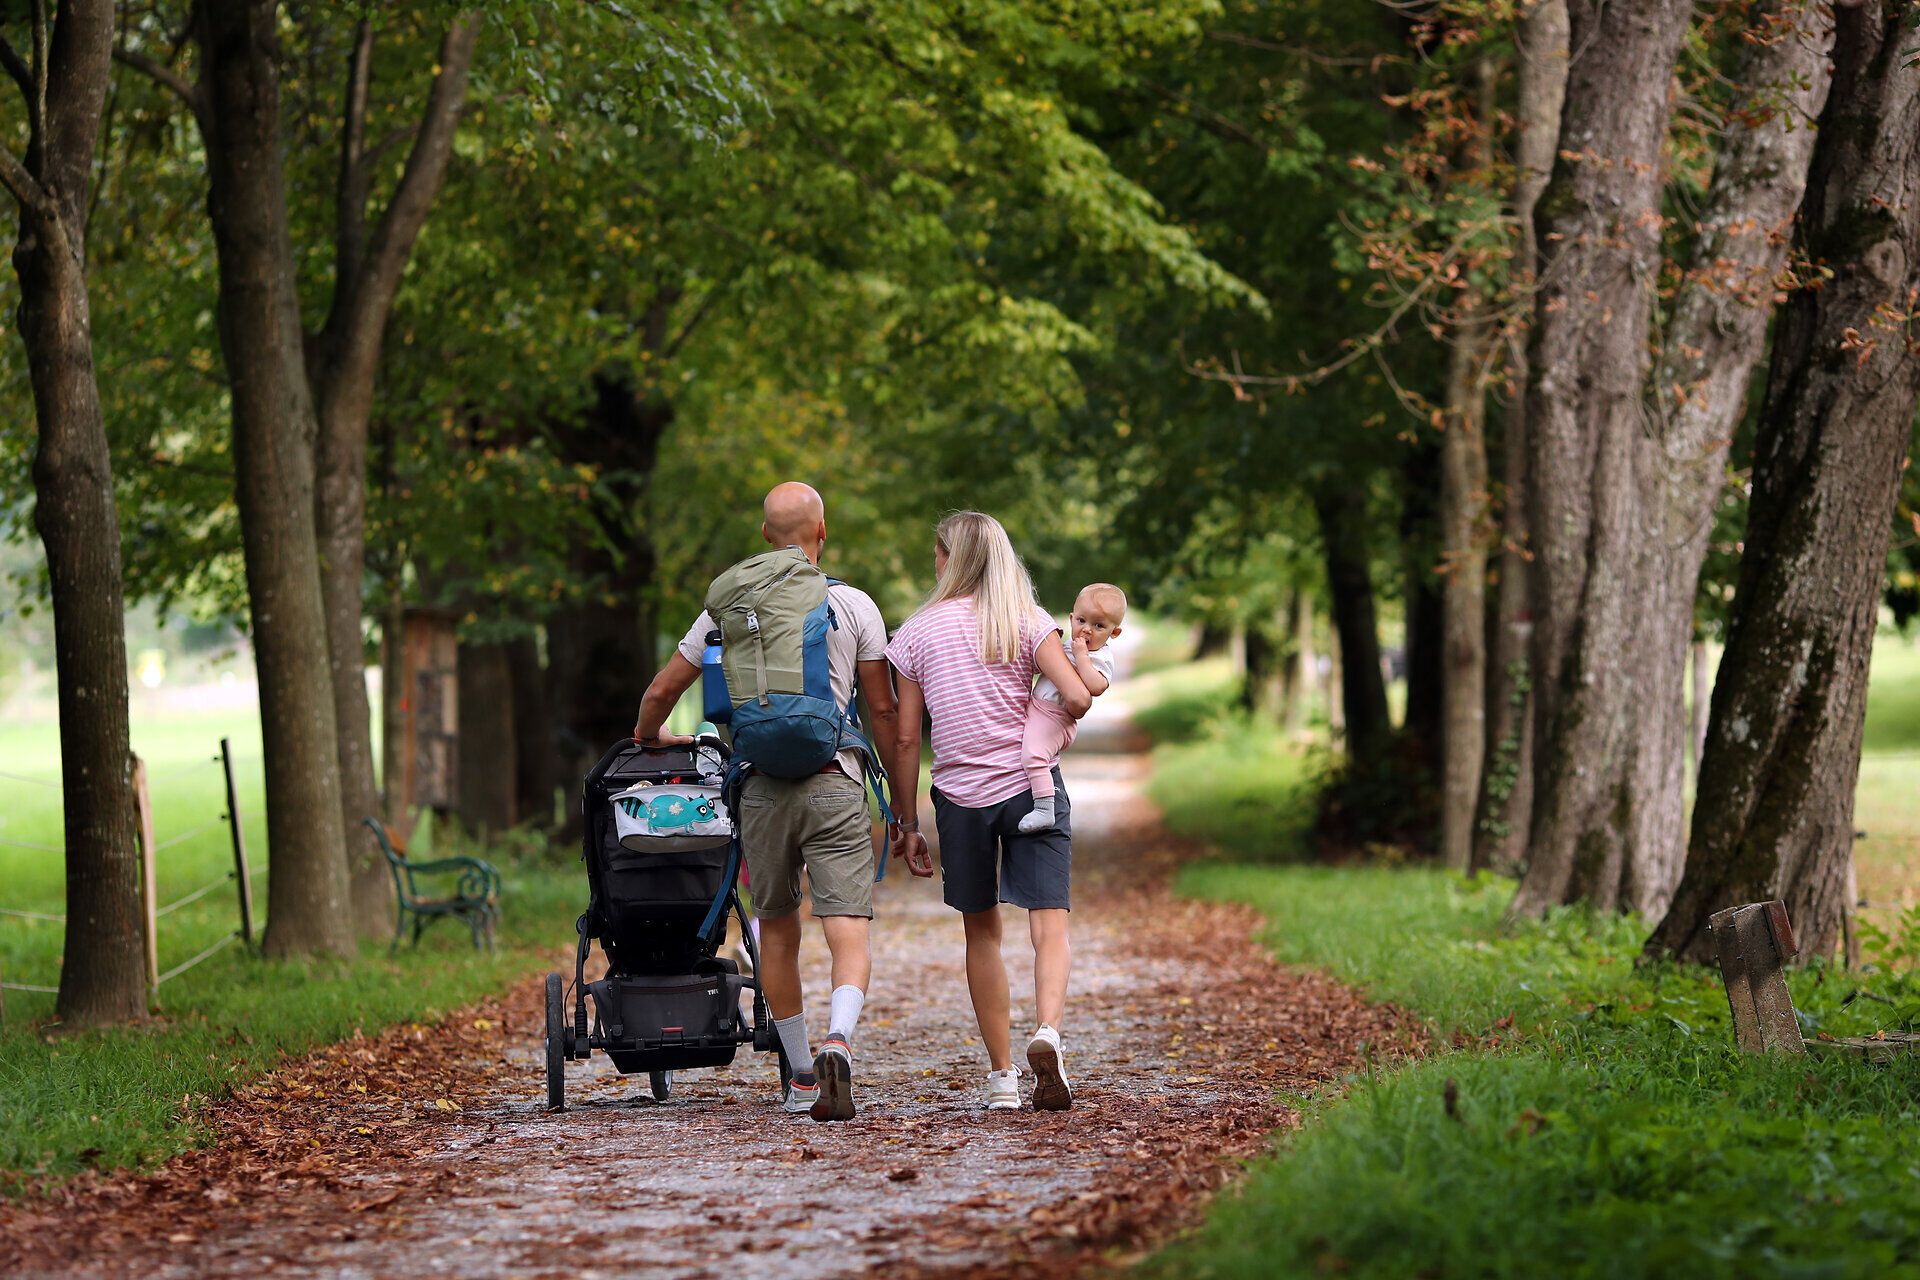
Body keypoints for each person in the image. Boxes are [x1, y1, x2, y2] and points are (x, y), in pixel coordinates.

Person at [632, 482, 895, 1122]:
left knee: (777, 928)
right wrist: (901, 802)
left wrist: (647, 737)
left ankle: (802, 1074)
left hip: (760, 788)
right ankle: (841, 1038)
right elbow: (882, 707)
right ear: (821, 533)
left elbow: (663, 690)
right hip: (834, 776)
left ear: (763, 537)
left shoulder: (727, 609)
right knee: (846, 923)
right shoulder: (851, 604)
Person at [885, 512, 1092, 1112]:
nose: (934, 564)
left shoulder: (918, 631)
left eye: (936, 554)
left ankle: (1003, 1076)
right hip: (1032, 791)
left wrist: (906, 822)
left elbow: (904, 739)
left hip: (959, 798)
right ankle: (1048, 1031)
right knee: (1049, 921)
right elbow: (1077, 696)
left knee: (982, 930)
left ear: (952, 559)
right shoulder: (1026, 621)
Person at [1017, 584, 1125, 834]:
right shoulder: (1069, 644)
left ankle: (1045, 809)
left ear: (1114, 632)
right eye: (1082, 620)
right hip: (1039, 708)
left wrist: (1083, 658)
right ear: (1071, 618)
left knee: (1034, 755)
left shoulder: (1100, 656)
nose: (1087, 629)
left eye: (1099, 626)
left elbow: (1096, 686)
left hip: (1056, 717)